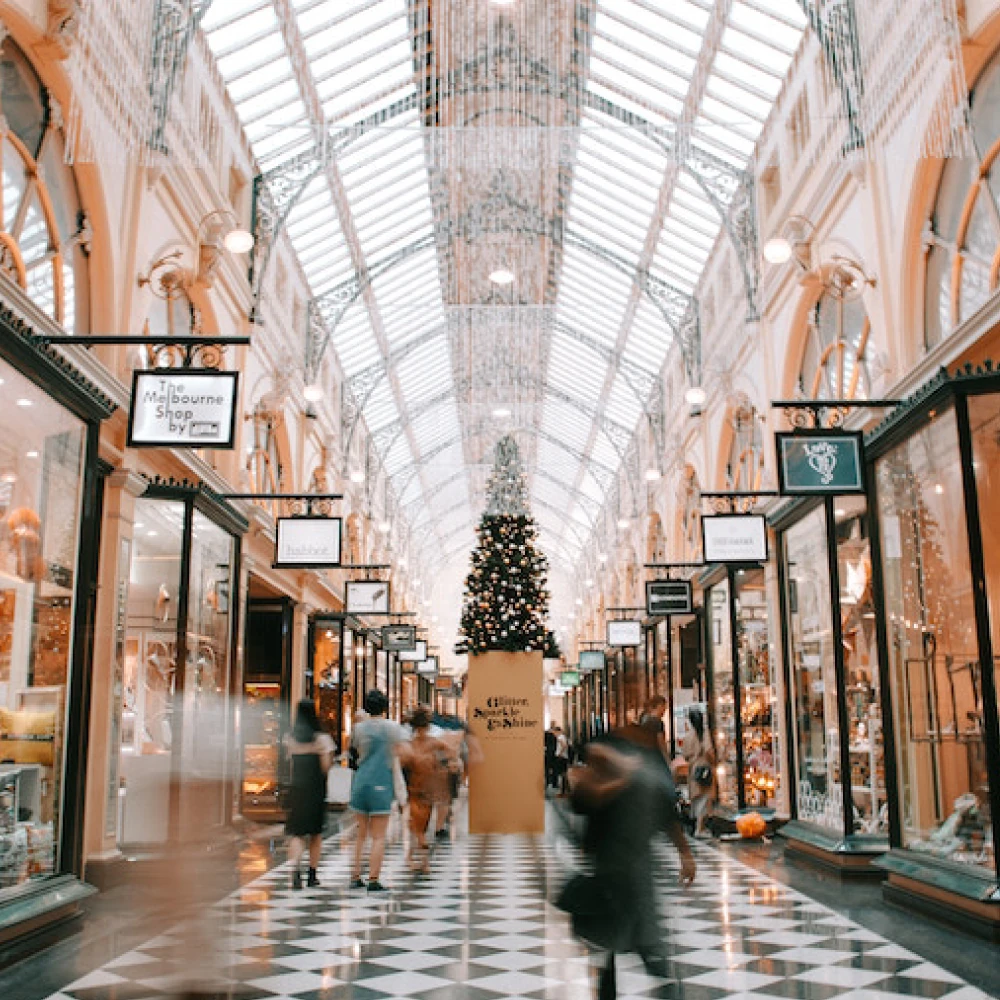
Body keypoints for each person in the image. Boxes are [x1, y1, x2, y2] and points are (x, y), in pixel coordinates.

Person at [567, 738, 696, 1000]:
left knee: (639, 945)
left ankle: (668, 991)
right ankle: (660, 990)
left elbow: (667, 818)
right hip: (609, 878)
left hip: (632, 878)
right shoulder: (600, 785)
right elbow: (581, 802)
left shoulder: (639, 784)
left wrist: (685, 854)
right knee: (612, 949)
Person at [350, 690, 405, 891]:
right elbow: (399, 753)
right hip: (381, 783)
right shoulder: (393, 729)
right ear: (385, 707)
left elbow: (355, 751)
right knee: (379, 836)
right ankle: (373, 879)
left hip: (360, 783)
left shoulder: (358, 729)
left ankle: (355, 876)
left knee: (360, 835)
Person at [284, 699, 335, 890]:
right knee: (315, 833)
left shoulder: (290, 738)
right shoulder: (322, 740)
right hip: (315, 790)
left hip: (297, 789)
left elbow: (289, 764)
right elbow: (325, 767)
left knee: (297, 833)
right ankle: (312, 875)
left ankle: (295, 870)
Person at [397, 706, 449, 872]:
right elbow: (450, 753)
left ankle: (416, 856)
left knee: (419, 824)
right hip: (422, 789)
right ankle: (420, 857)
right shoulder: (430, 743)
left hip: (419, 789)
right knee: (418, 825)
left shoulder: (412, 744)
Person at [683, 706, 717, 838]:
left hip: (693, 768)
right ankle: (700, 827)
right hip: (704, 767)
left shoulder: (688, 735)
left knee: (697, 797)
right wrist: (713, 761)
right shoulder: (704, 733)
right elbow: (709, 751)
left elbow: (685, 755)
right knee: (705, 797)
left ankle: (698, 826)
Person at [554, 725, 570, 794]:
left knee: (562, 774)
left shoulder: (560, 737)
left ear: (558, 731)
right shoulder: (563, 737)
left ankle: (562, 791)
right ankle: (565, 790)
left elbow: (564, 745)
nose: (554, 734)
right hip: (564, 757)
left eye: (555, 732)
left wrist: (560, 754)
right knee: (564, 773)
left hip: (561, 757)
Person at [545, 722, 559, 791]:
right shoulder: (554, 735)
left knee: (547, 769)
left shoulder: (546, 734)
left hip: (548, 754)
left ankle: (547, 782)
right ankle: (554, 784)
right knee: (554, 769)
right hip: (554, 754)